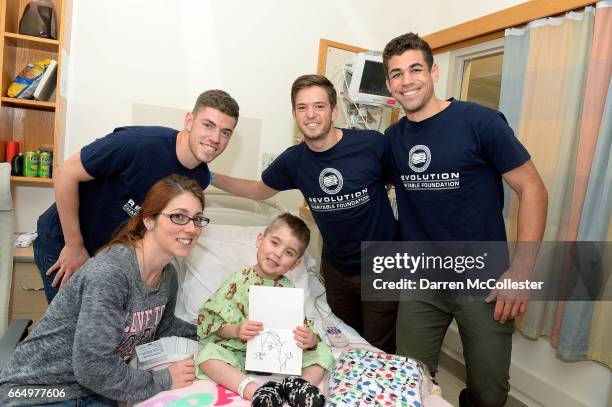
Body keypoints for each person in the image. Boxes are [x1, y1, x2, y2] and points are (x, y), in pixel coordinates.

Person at [382, 33, 548, 407]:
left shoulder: (480, 122)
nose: (406, 80)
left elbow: (533, 189)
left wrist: (521, 272)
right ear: (389, 84)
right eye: (396, 74)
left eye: (414, 69)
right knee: (410, 378)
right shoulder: (393, 138)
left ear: (434, 72)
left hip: (484, 278)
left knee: (490, 392)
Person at [211, 75, 398, 354]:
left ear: (334, 111)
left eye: (319, 106)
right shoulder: (294, 160)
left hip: (383, 264)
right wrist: (210, 176)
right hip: (337, 268)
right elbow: (259, 190)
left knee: (377, 348)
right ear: (294, 114)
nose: (311, 115)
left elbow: (404, 183)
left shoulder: (371, 145)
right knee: (341, 342)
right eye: (302, 107)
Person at [0, 174, 208, 406]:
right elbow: (93, 368)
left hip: (94, 391)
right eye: (178, 216)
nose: (191, 228)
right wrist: (165, 380)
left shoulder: (167, 275)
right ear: (149, 220)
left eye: (198, 219)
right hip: (39, 391)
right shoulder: (112, 273)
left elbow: (164, 326)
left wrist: (218, 333)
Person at [35, 89, 239, 303]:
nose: (215, 138)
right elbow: (64, 174)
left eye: (225, 132)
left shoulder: (199, 179)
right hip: (65, 243)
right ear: (189, 121)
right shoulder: (137, 144)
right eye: (208, 125)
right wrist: (74, 246)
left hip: (109, 259)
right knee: (73, 330)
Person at [196, 213, 333, 407]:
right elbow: (212, 322)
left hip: (282, 358)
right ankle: (257, 391)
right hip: (240, 352)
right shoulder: (238, 280)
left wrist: (308, 339)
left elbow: (302, 330)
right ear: (260, 240)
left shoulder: (290, 290)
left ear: (295, 264)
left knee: (324, 352)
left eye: (289, 252)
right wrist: (236, 330)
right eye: (275, 243)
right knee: (207, 356)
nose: (278, 253)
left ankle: (298, 385)